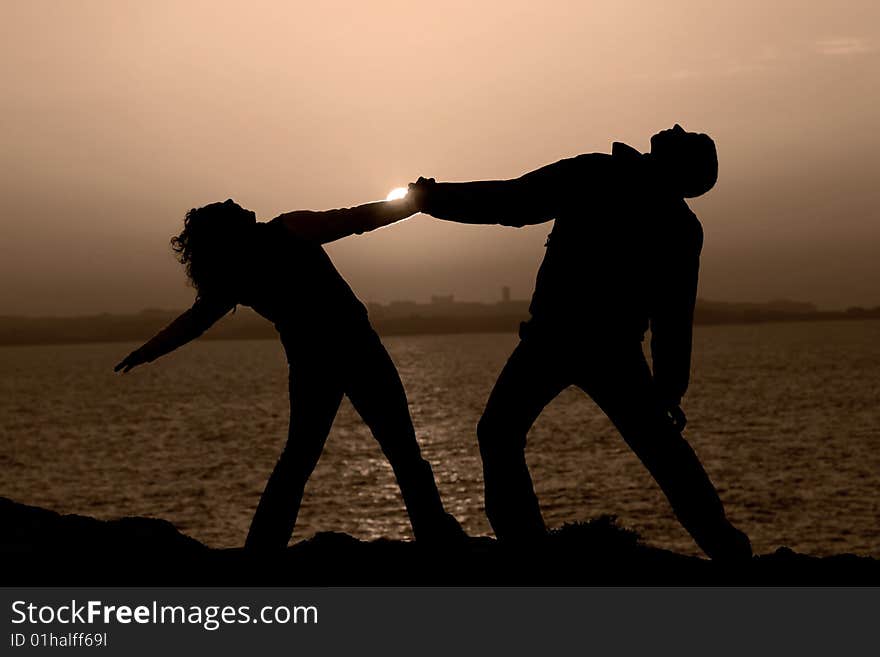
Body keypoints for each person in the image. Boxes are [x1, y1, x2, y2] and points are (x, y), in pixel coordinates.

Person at [408, 124, 752, 560]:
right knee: (659, 451)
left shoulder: (599, 176)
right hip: (602, 347)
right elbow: (673, 317)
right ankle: (726, 548)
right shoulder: (679, 224)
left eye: (686, 137)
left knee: (502, 433)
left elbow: (513, 202)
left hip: (562, 340)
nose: (677, 127)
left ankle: (525, 547)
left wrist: (431, 200)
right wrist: (669, 388)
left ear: (677, 166)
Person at [115, 197, 463, 549]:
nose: (236, 201)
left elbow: (193, 322)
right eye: (228, 207)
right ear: (229, 229)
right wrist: (412, 203)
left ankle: (264, 549)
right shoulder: (288, 230)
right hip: (354, 348)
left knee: (301, 459)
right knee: (399, 449)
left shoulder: (234, 273)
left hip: (311, 361)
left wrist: (147, 352)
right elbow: (356, 219)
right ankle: (435, 536)